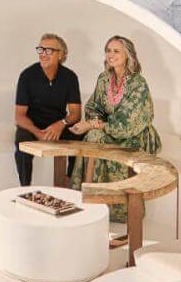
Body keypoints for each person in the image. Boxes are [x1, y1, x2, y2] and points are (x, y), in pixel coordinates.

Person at [70, 35, 161, 225]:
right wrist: (95, 122)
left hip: (135, 134)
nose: (111, 55)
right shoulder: (104, 79)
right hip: (109, 130)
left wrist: (92, 125)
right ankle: (90, 200)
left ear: (128, 55)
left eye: (116, 51)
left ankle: (104, 206)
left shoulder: (138, 84)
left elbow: (128, 124)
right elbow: (93, 107)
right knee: (94, 136)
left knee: (94, 135)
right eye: (108, 50)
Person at [13, 33, 82, 186]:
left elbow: (76, 114)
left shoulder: (70, 77)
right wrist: (38, 133)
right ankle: (24, 188)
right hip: (32, 125)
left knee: (80, 136)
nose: (43, 54)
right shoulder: (27, 76)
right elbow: (19, 116)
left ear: (61, 55)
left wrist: (61, 124)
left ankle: (71, 183)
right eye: (41, 49)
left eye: (49, 50)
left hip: (58, 123)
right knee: (21, 143)